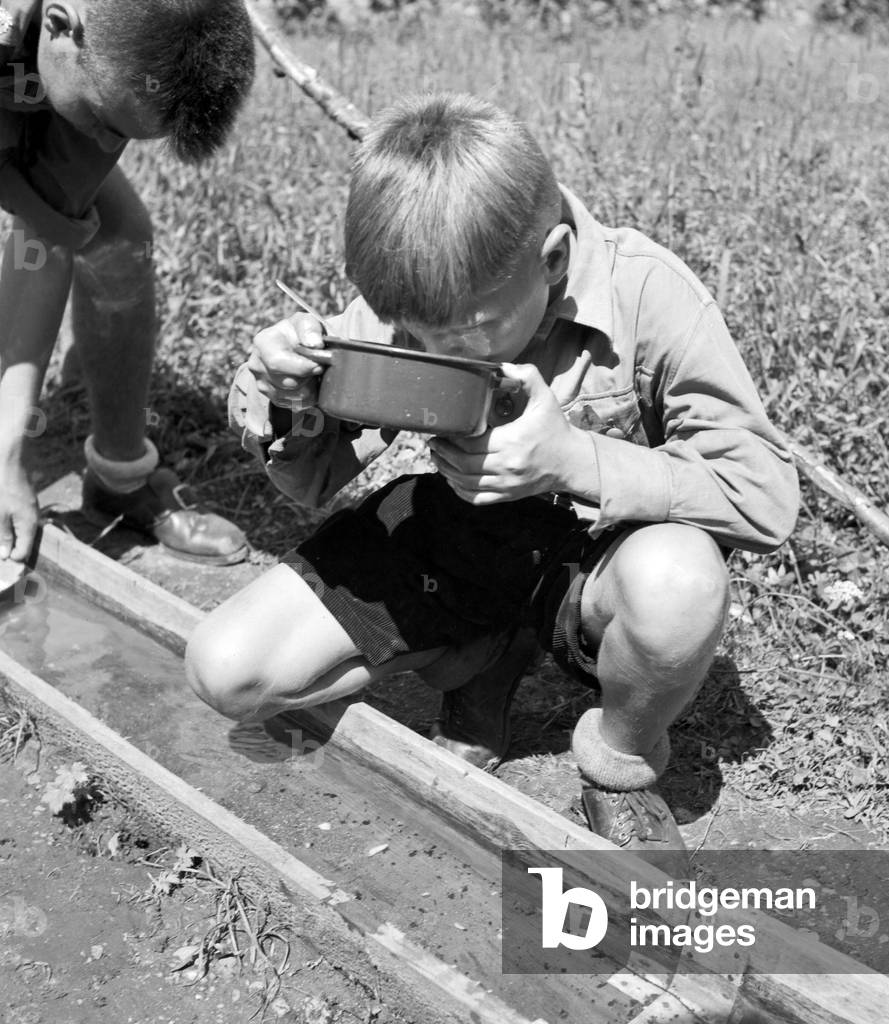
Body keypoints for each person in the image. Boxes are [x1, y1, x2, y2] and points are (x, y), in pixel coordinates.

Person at [185, 92, 800, 850]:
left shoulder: (650, 295)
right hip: (455, 537)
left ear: (554, 262)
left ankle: (621, 757)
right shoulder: (429, 295)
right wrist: (282, 394)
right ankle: (476, 652)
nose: (429, 349)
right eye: (413, 333)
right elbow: (309, 478)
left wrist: (574, 459)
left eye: (459, 336)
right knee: (226, 671)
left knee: (681, 581)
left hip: (593, 565)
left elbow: (765, 497)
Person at [0, 0, 255, 567]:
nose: (102, 143)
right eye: (104, 122)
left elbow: (46, 237)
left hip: (33, 69)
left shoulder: (92, 48)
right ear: (62, 26)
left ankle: (118, 477)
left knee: (119, 238)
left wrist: (6, 451)